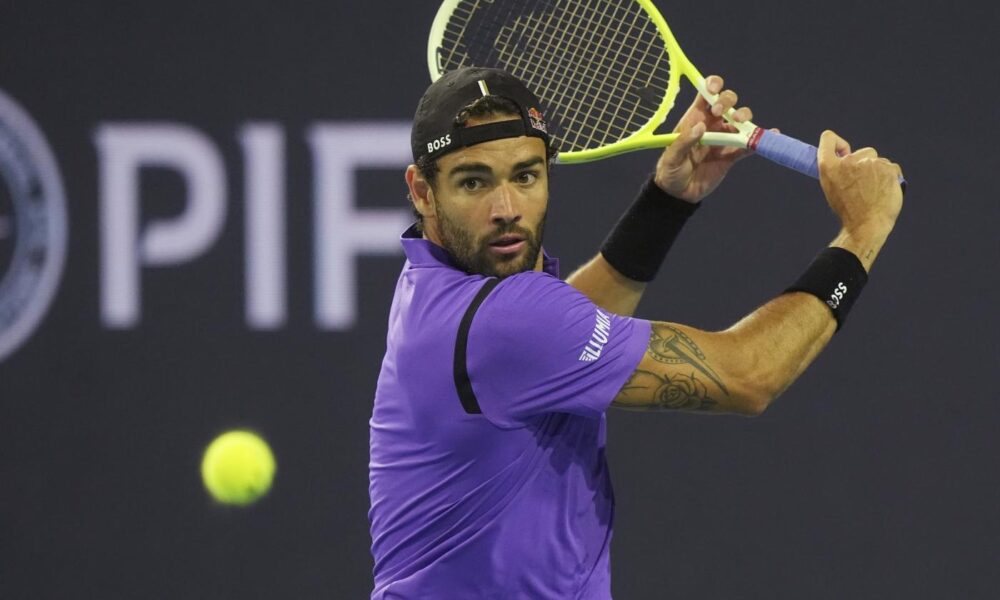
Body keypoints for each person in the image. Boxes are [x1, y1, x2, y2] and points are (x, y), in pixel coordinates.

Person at [368, 67, 903, 599]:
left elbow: (562, 336)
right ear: (422, 191)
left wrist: (667, 202)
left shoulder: (436, 289)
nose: (506, 210)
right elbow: (749, 375)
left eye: (525, 176)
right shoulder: (506, 321)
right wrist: (864, 228)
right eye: (473, 182)